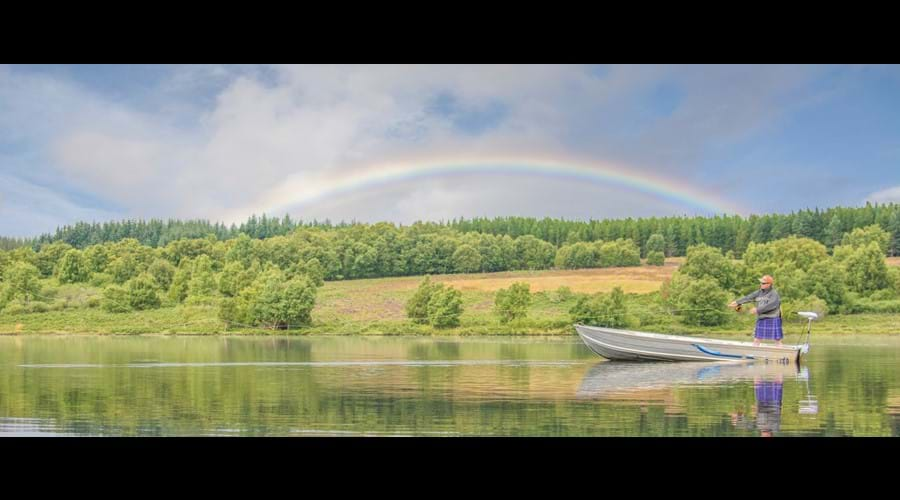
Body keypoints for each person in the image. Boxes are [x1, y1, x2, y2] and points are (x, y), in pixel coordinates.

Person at [729, 275, 783, 347]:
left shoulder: (774, 294)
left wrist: (757, 309)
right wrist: (737, 302)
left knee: (777, 339)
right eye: (761, 283)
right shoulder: (759, 292)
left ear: (769, 284)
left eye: (763, 283)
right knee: (757, 339)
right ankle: (753, 354)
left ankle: (780, 355)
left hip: (773, 318)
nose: (761, 284)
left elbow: (771, 305)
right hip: (762, 318)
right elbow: (749, 297)